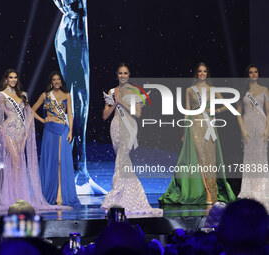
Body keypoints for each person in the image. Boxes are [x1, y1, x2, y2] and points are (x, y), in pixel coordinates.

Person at [0, 69, 67, 210]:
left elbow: (29, 115)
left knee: (19, 162)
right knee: (14, 160)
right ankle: (14, 197)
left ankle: (19, 195)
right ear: (6, 79)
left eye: (15, 77)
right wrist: (1, 127)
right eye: (11, 77)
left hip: (21, 133)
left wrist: (27, 132)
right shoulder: (0, 95)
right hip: (9, 131)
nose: (13, 80)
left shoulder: (22, 95)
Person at [159, 62, 235, 204]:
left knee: (209, 160)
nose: (202, 74)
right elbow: (187, 111)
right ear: (196, 73)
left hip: (209, 126)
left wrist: (215, 111)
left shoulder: (212, 89)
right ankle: (205, 193)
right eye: (199, 71)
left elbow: (227, 105)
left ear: (207, 73)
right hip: (194, 126)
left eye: (204, 71)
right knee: (198, 160)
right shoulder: (190, 90)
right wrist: (183, 131)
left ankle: (212, 193)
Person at [101, 63, 163, 214]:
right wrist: (115, 103)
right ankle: (128, 194)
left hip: (129, 127)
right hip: (115, 126)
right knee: (122, 160)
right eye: (120, 73)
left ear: (129, 75)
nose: (123, 76)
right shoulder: (112, 91)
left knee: (122, 158)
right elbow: (104, 116)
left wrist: (122, 102)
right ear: (117, 74)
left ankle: (117, 193)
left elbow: (138, 114)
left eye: (125, 73)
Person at [32, 71, 80, 206]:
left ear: (61, 81)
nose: (57, 82)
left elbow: (69, 114)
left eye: (58, 79)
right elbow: (31, 110)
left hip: (63, 130)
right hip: (49, 130)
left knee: (61, 161)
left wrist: (70, 131)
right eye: (54, 80)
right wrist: (43, 120)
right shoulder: (45, 95)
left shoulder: (67, 95)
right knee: (51, 162)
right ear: (51, 82)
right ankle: (51, 193)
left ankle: (60, 193)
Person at [237, 65, 269, 204]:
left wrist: (267, 129)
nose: (253, 74)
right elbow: (238, 112)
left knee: (260, 158)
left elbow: (268, 111)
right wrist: (243, 130)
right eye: (251, 72)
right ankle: (249, 189)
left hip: (261, 127)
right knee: (249, 159)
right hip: (248, 128)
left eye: (256, 72)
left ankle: (260, 190)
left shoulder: (264, 90)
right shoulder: (244, 91)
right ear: (248, 75)